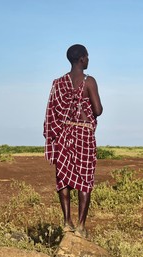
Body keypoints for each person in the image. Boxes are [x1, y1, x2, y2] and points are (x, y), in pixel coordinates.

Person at [43, 44, 103, 238]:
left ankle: (67, 222)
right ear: (81, 59)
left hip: (63, 133)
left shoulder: (58, 83)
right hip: (83, 135)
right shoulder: (89, 81)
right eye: (87, 57)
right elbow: (98, 110)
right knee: (84, 180)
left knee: (64, 179)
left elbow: (52, 110)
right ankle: (80, 227)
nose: (88, 60)